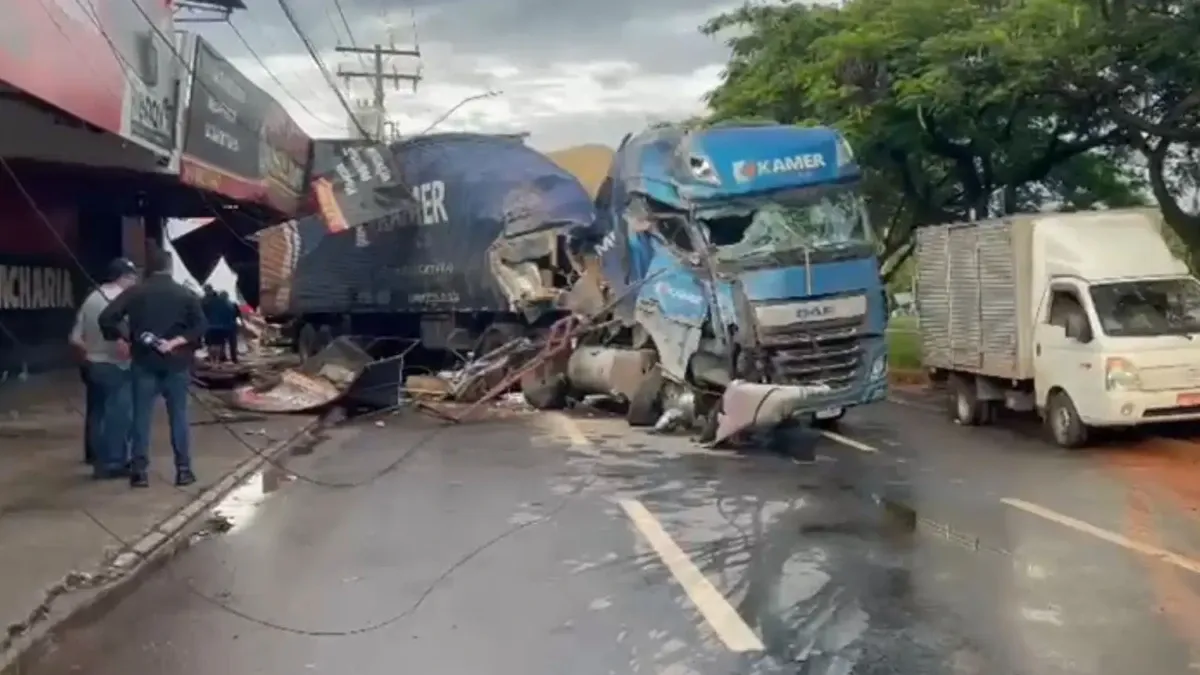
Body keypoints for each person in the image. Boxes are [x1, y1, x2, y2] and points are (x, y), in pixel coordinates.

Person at [99, 249, 207, 488]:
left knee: (141, 418)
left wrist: (122, 338)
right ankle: (183, 470)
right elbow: (201, 326)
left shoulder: (135, 292)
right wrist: (177, 341)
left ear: (147, 268)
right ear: (169, 268)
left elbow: (107, 317)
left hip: (144, 362)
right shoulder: (185, 294)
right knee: (178, 417)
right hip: (177, 364)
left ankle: (139, 473)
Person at [69, 258, 138, 479]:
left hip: (93, 364)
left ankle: (98, 459)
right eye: (132, 277)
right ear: (124, 278)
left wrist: (91, 351)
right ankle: (114, 462)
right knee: (119, 416)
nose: (135, 282)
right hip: (116, 365)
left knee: (97, 414)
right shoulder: (120, 300)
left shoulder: (91, 298)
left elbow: (75, 338)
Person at [217, 290, 242, 364]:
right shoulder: (233, 304)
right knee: (232, 343)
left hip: (222, 326)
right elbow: (238, 315)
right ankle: (233, 358)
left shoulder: (218, 305)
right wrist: (240, 323)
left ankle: (223, 357)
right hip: (231, 326)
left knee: (222, 343)